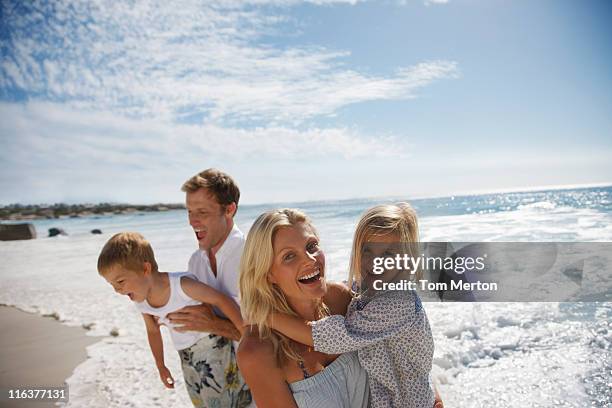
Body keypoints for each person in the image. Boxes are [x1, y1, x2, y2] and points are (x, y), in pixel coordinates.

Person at [267, 203, 441, 408]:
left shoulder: (398, 302)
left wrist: (270, 317)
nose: (375, 262)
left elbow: (336, 336)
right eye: (367, 250)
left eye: (388, 255)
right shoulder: (369, 286)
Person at [237, 208, 371, 408]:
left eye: (312, 245)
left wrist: (432, 396)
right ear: (268, 274)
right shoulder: (258, 350)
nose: (310, 259)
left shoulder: (340, 299)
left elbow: (397, 341)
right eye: (289, 256)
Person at [97, 232, 249, 406]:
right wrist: (161, 366)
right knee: (201, 401)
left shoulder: (182, 285)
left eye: (120, 281)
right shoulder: (142, 301)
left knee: (226, 401)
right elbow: (153, 331)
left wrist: (245, 332)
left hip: (214, 348)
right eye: (112, 285)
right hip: (185, 356)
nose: (117, 290)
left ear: (145, 269)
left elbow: (221, 299)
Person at [165, 168, 253, 407]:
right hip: (218, 385)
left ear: (229, 210)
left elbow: (273, 336)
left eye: (202, 212)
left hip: (259, 381)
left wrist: (215, 325)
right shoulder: (195, 262)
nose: (192, 221)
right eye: (190, 212)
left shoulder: (253, 255)